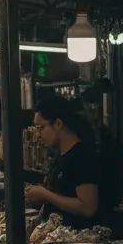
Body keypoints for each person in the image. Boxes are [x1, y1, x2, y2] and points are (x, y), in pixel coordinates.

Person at [25, 94, 100, 228]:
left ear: (58, 124)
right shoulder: (61, 156)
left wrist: (45, 194)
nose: (38, 134)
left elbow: (88, 207)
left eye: (40, 128)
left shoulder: (82, 156)